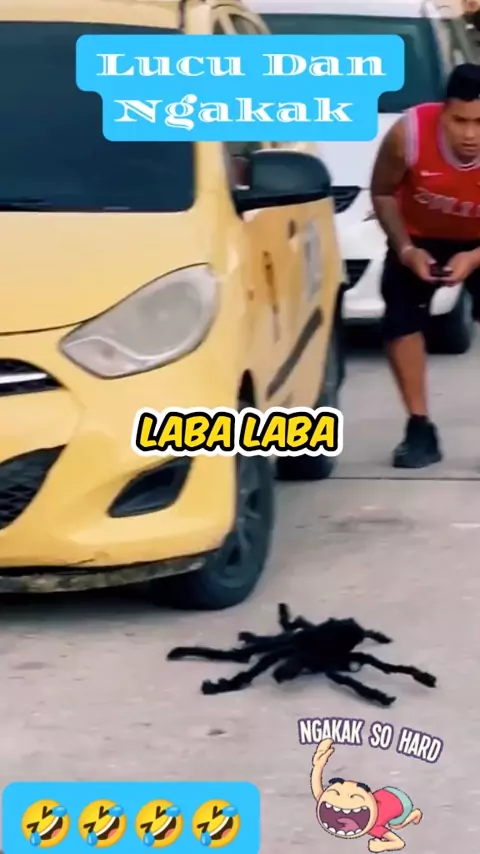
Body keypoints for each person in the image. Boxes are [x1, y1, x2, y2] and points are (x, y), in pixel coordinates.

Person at [370, 63, 480, 468]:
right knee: (400, 319)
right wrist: (405, 249)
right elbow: (383, 193)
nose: (469, 135)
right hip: (419, 237)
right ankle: (419, 428)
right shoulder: (408, 134)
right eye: (459, 121)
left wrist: (474, 257)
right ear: (442, 111)